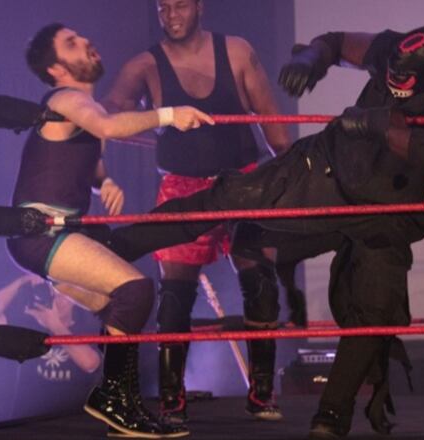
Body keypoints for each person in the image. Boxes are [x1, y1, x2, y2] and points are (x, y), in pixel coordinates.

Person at [106, 25, 424, 438]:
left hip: (388, 209)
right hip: (327, 171)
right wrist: (313, 58)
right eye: (390, 79)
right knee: (231, 196)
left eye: (403, 84)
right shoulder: (390, 50)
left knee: (376, 308)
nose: (393, 86)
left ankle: (332, 416)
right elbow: (338, 42)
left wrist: (379, 124)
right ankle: (119, 243)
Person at [10, 23, 212, 438]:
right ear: (56, 69)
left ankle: (122, 409)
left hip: (52, 233)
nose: (86, 41)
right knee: (135, 291)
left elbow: (87, 150)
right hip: (41, 232)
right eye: (72, 43)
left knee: (118, 307)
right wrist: (171, 115)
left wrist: (105, 182)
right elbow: (105, 128)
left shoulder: (85, 108)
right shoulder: (65, 99)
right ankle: (113, 400)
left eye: (81, 36)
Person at [103, 0, 292, 423]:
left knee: (260, 283)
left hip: (243, 182)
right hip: (182, 187)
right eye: (162, 7)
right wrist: (146, 117)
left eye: (180, 4)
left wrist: (291, 174)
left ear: (199, 6)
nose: (171, 14)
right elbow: (107, 113)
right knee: (174, 296)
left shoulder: (237, 51)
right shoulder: (145, 66)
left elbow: (269, 115)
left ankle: (263, 393)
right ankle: (172, 400)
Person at [0, 274, 102, 417]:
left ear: (74, 299)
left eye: (62, 294)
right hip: (27, 416)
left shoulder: (88, 327)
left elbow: (90, 363)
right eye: (52, 292)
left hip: (72, 419)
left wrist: (55, 325)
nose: (57, 299)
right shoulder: (28, 324)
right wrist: (22, 280)